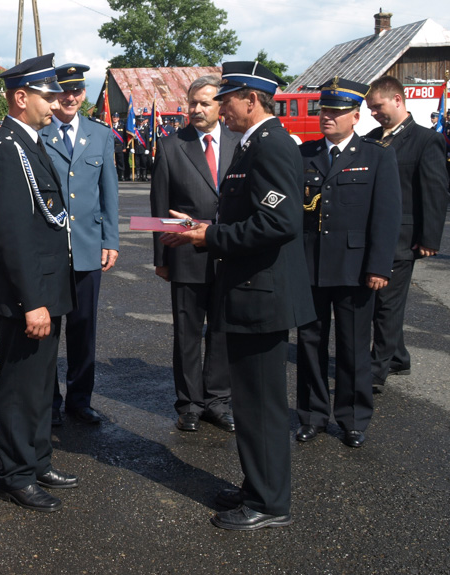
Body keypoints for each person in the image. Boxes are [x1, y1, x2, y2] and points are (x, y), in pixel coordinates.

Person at [159, 61, 315, 531]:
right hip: (249, 292)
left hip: (263, 296)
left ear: (251, 100)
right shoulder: (254, 146)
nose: (220, 108)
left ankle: (269, 504)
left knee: (262, 406)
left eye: (227, 99)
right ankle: (258, 485)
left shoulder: (272, 147)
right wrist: (200, 229)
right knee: (250, 402)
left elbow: (279, 222)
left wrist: (211, 237)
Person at [0, 54, 77, 512]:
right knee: (20, 387)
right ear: (21, 98)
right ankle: (16, 474)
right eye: (48, 94)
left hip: (47, 288)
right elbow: (12, 233)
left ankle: (38, 459)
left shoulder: (32, 141)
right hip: (28, 296)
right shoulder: (6, 147)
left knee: (41, 383)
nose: (56, 101)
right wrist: (32, 301)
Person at [296, 77, 402, 449]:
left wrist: (379, 266)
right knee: (310, 343)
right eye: (324, 110)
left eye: (336, 112)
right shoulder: (305, 155)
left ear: (355, 116)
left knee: (354, 346)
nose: (327, 117)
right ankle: (311, 415)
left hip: (355, 268)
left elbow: (386, 217)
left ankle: (353, 418)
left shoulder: (376, 156)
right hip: (310, 265)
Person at [150, 74, 238, 434]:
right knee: (187, 332)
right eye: (193, 103)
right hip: (185, 254)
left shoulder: (239, 143)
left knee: (222, 329)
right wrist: (161, 258)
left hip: (228, 250)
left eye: (205, 103)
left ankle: (218, 400)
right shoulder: (173, 146)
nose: (197, 109)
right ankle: (189, 403)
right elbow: (160, 203)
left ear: (221, 106)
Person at [39, 63, 119, 426]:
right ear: (54, 95)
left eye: (77, 91)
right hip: (52, 247)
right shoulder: (39, 135)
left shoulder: (99, 134)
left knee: (84, 327)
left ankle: (80, 399)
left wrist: (111, 240)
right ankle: (49, 402)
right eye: (63, 91)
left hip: (88, 246)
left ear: (84, 94)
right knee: (49, 330)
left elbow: (109, 192)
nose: (70, 98)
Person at [364, 76, 449, 392]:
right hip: (374, 234)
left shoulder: (425, 140)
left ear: (397, 100)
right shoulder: (373, 138)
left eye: (378, 106)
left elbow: (435, 190)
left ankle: (376, 369)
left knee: (385, 304)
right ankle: (398, 356)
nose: (373, 113)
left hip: (403, 236)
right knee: (380, 302)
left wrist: (429, 238)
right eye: (370, 108)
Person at [111, 111, 127, 181]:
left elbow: (124, 137)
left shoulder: (122, 126)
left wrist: (124, 147)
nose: (115, 118)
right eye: (114, 117)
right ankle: (114, 176)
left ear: (118, 118)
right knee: (112, 163)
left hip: (120, 147)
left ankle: (121, 176)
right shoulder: (109, 126)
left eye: (116, 117)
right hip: (112, 147)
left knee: (120, 162)